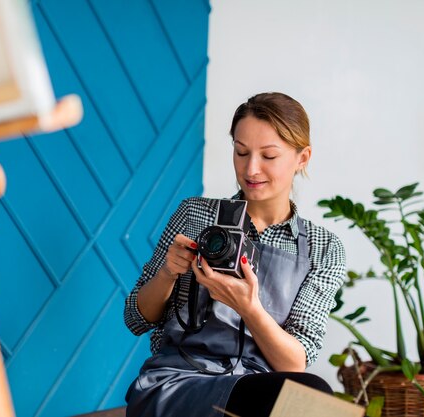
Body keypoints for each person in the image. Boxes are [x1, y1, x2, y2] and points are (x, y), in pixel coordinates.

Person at [123, 92, 346, 417]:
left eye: (268, 156)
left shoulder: (322, 248)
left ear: (302, 158)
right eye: (241, 152)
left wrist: (248, 308)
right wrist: (167, 273)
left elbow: (295, 363)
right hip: (179, 382)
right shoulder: (195, 215)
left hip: (257, 387)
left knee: (313, 396)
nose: (251, 169)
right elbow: (135, 319)